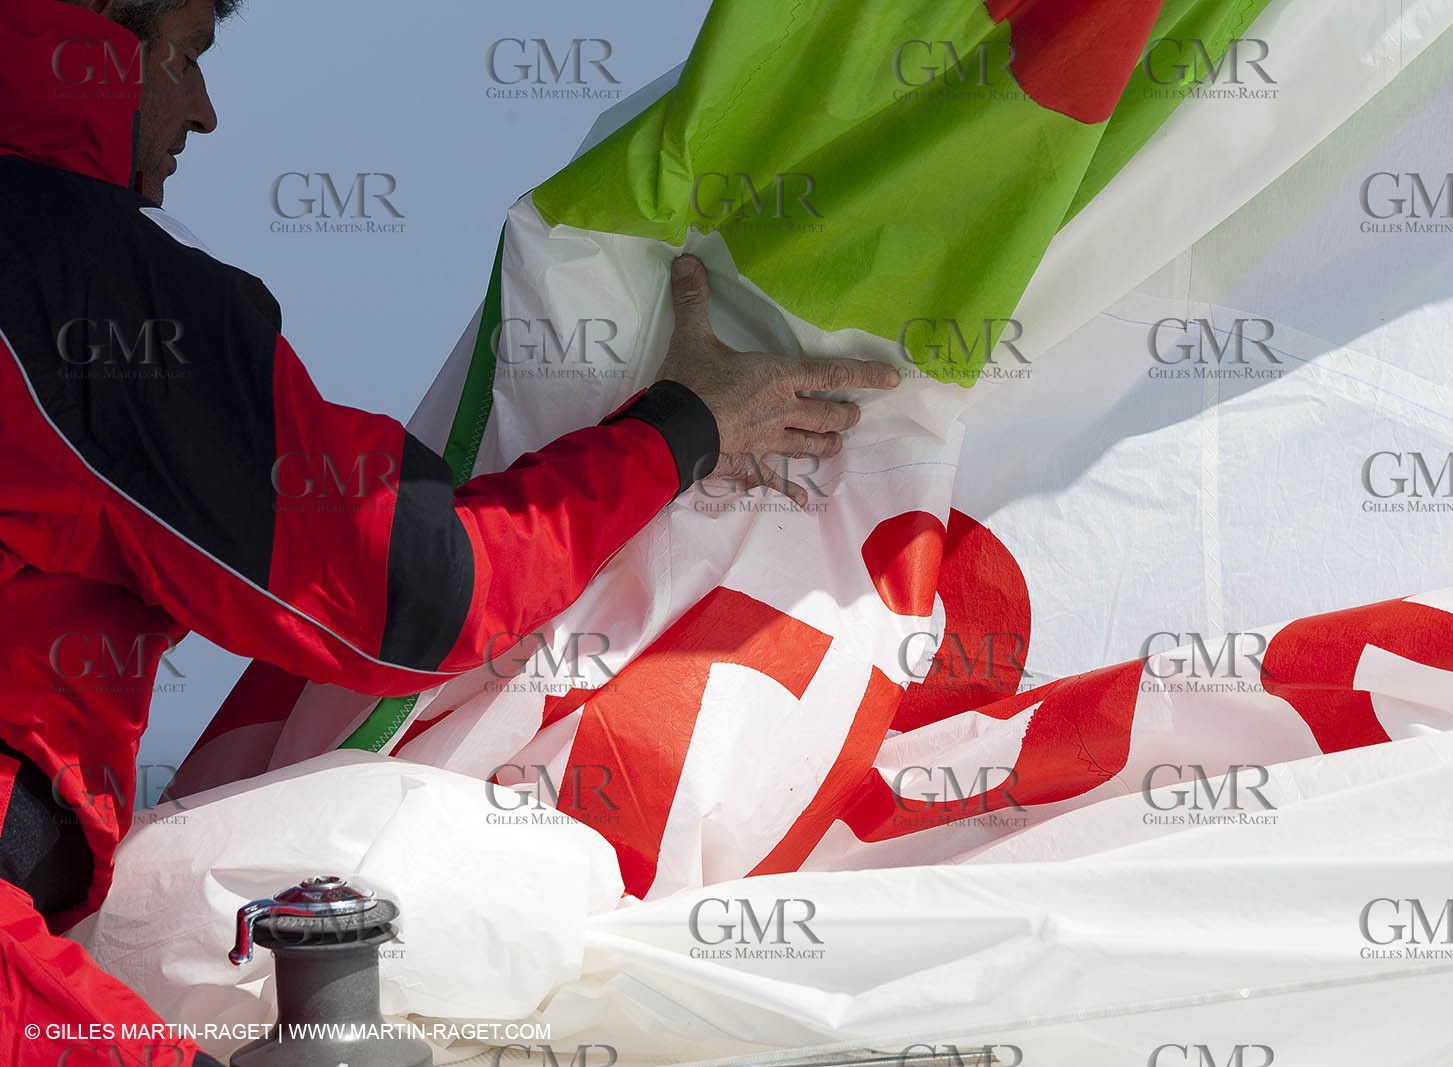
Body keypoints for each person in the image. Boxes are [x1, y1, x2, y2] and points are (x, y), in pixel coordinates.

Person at [0, 0, 900, 1061]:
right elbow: (408, 589)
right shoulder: (65, 272)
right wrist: (681, 427)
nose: (202, 112)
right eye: (191, 51)